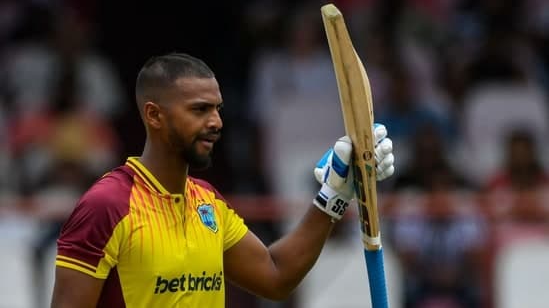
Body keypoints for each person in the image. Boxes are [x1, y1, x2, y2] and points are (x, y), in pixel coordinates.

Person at [50, 53, 395, 307]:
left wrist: (334, 192)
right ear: (154, 115)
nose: (216, 122)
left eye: (217, 109)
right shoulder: (106, 206)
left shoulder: (206, 202)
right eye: (200, 110)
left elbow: (276, 276)